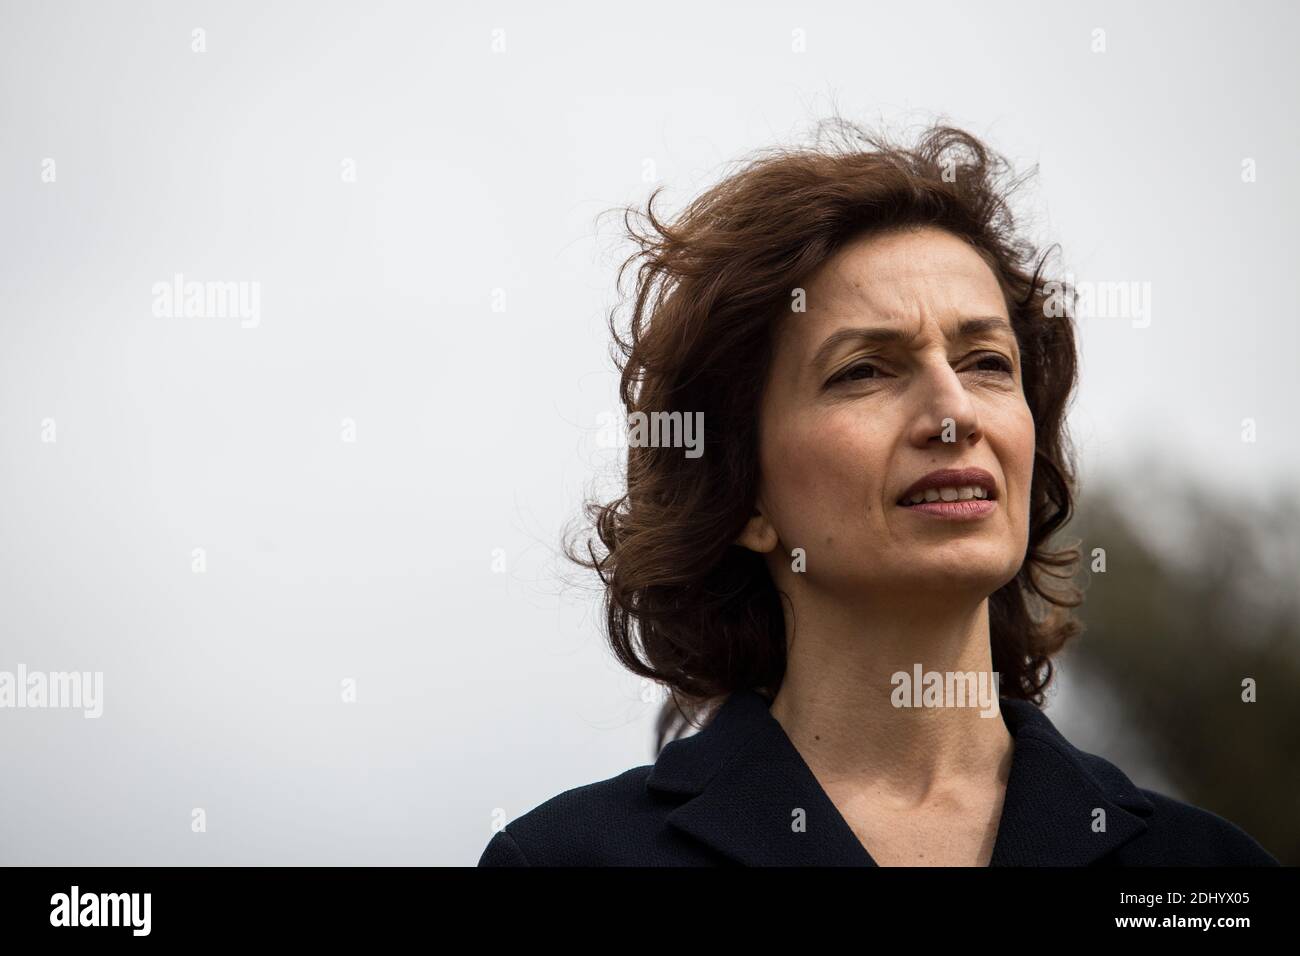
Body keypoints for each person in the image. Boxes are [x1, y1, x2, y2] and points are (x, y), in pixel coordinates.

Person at [479, 119, 1278, 866]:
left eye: (987, 362)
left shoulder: (1204, 871)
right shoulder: (569, 860)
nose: (954, 413)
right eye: (864, 370)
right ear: (745, 496)